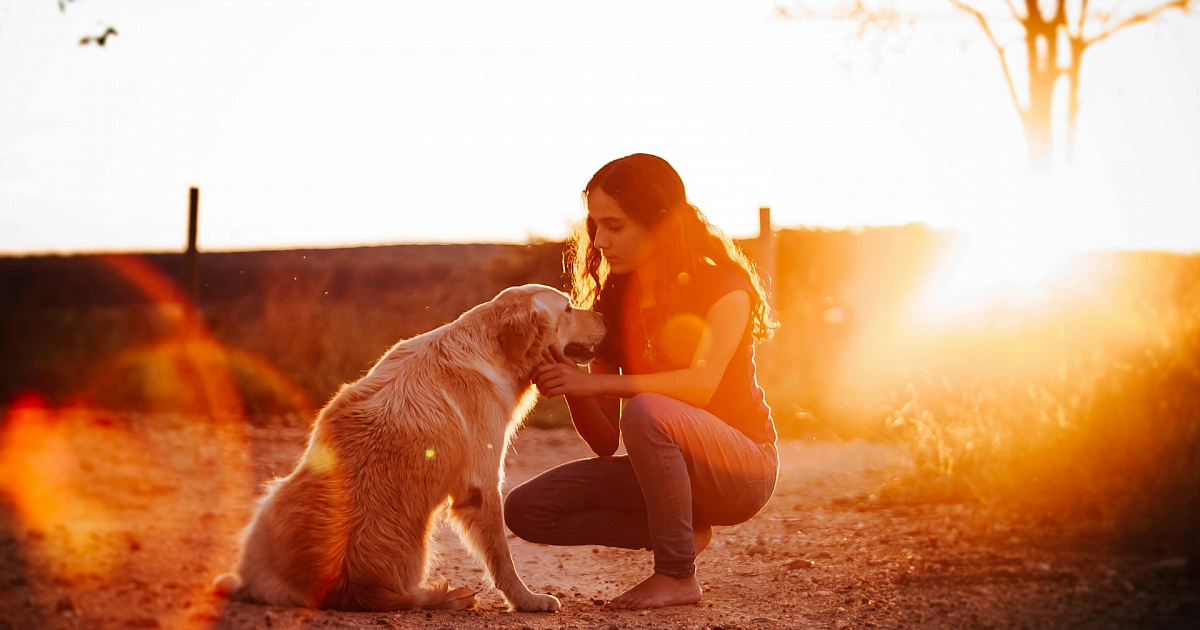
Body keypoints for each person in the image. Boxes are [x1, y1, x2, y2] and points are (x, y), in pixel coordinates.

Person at [503, 153, 780, 610]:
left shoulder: (726, 287)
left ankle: (676, 574)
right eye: (594, 225)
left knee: (648, 410)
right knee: (528, 509)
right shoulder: (614, 299)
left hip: (741, 471)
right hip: (667, 474)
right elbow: (605, 440)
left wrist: (596, 386)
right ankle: (683, 533)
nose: (598, 240)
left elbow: (701, 386)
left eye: (614, 226)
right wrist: (566, 378)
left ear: (660, 223)